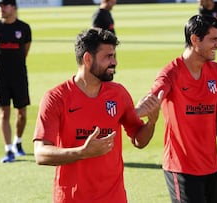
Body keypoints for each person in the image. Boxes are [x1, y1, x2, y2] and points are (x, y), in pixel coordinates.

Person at [33, 28, 162, 203]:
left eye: (114, 55)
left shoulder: (119, 93)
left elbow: (139, 140)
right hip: (72, 199)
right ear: (87, 59)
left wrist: (152, 122)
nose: (114, 62)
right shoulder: (56, 98)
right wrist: (82, 152)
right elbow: (40, 154)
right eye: (108, 56)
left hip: (114, 198)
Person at [136, 15, 217, 202]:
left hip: (211, 169)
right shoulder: (171, 73)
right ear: (194, 39)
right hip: (181, 169)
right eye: (213, 39)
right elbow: (152, 99)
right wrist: (134, 113)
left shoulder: (216, 72)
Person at [0, 0, 32, 163]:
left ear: (13, 7)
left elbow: (25, 50)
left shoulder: (24, 28)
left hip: (19, 76)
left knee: (22, 114)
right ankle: (8, 150)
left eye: (5, 5)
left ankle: (17, 141)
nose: (1, 8)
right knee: (4, 112)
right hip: (0, 77)